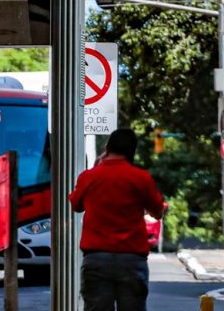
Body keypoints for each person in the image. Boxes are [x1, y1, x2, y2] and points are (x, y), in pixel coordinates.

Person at [68, 129, 164, 311]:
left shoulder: (89, 177)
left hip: (96, 259)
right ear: (132, 152)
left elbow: (75, 205)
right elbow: (158, 212)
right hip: (131, 259)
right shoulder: (141, 178)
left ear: (106, 148)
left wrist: (97, 166)